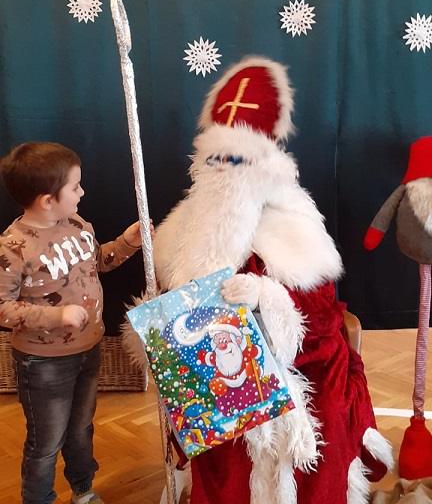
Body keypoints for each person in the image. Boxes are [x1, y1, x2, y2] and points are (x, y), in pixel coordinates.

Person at [152, 56, 394, 504]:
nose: (227, 171)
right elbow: (174, 315)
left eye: (237, 160)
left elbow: (320, 316)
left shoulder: (294, 218)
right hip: (216, 363)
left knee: (320, 412)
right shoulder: (186, 226)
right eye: (218, 159)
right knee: (221, 431)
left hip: (300, 360)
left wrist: (265, 294)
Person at [0, 142, 142, 504]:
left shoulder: (78, 224)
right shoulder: (13, 248)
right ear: (48, 200)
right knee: (46, 442)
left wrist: (126, 243)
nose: (83, 193)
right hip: (43, 364)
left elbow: (99, 261)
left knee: (80, 429)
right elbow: (2, 307)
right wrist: (55, 316)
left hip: (88, 349)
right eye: (75, 187)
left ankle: (83, 489)